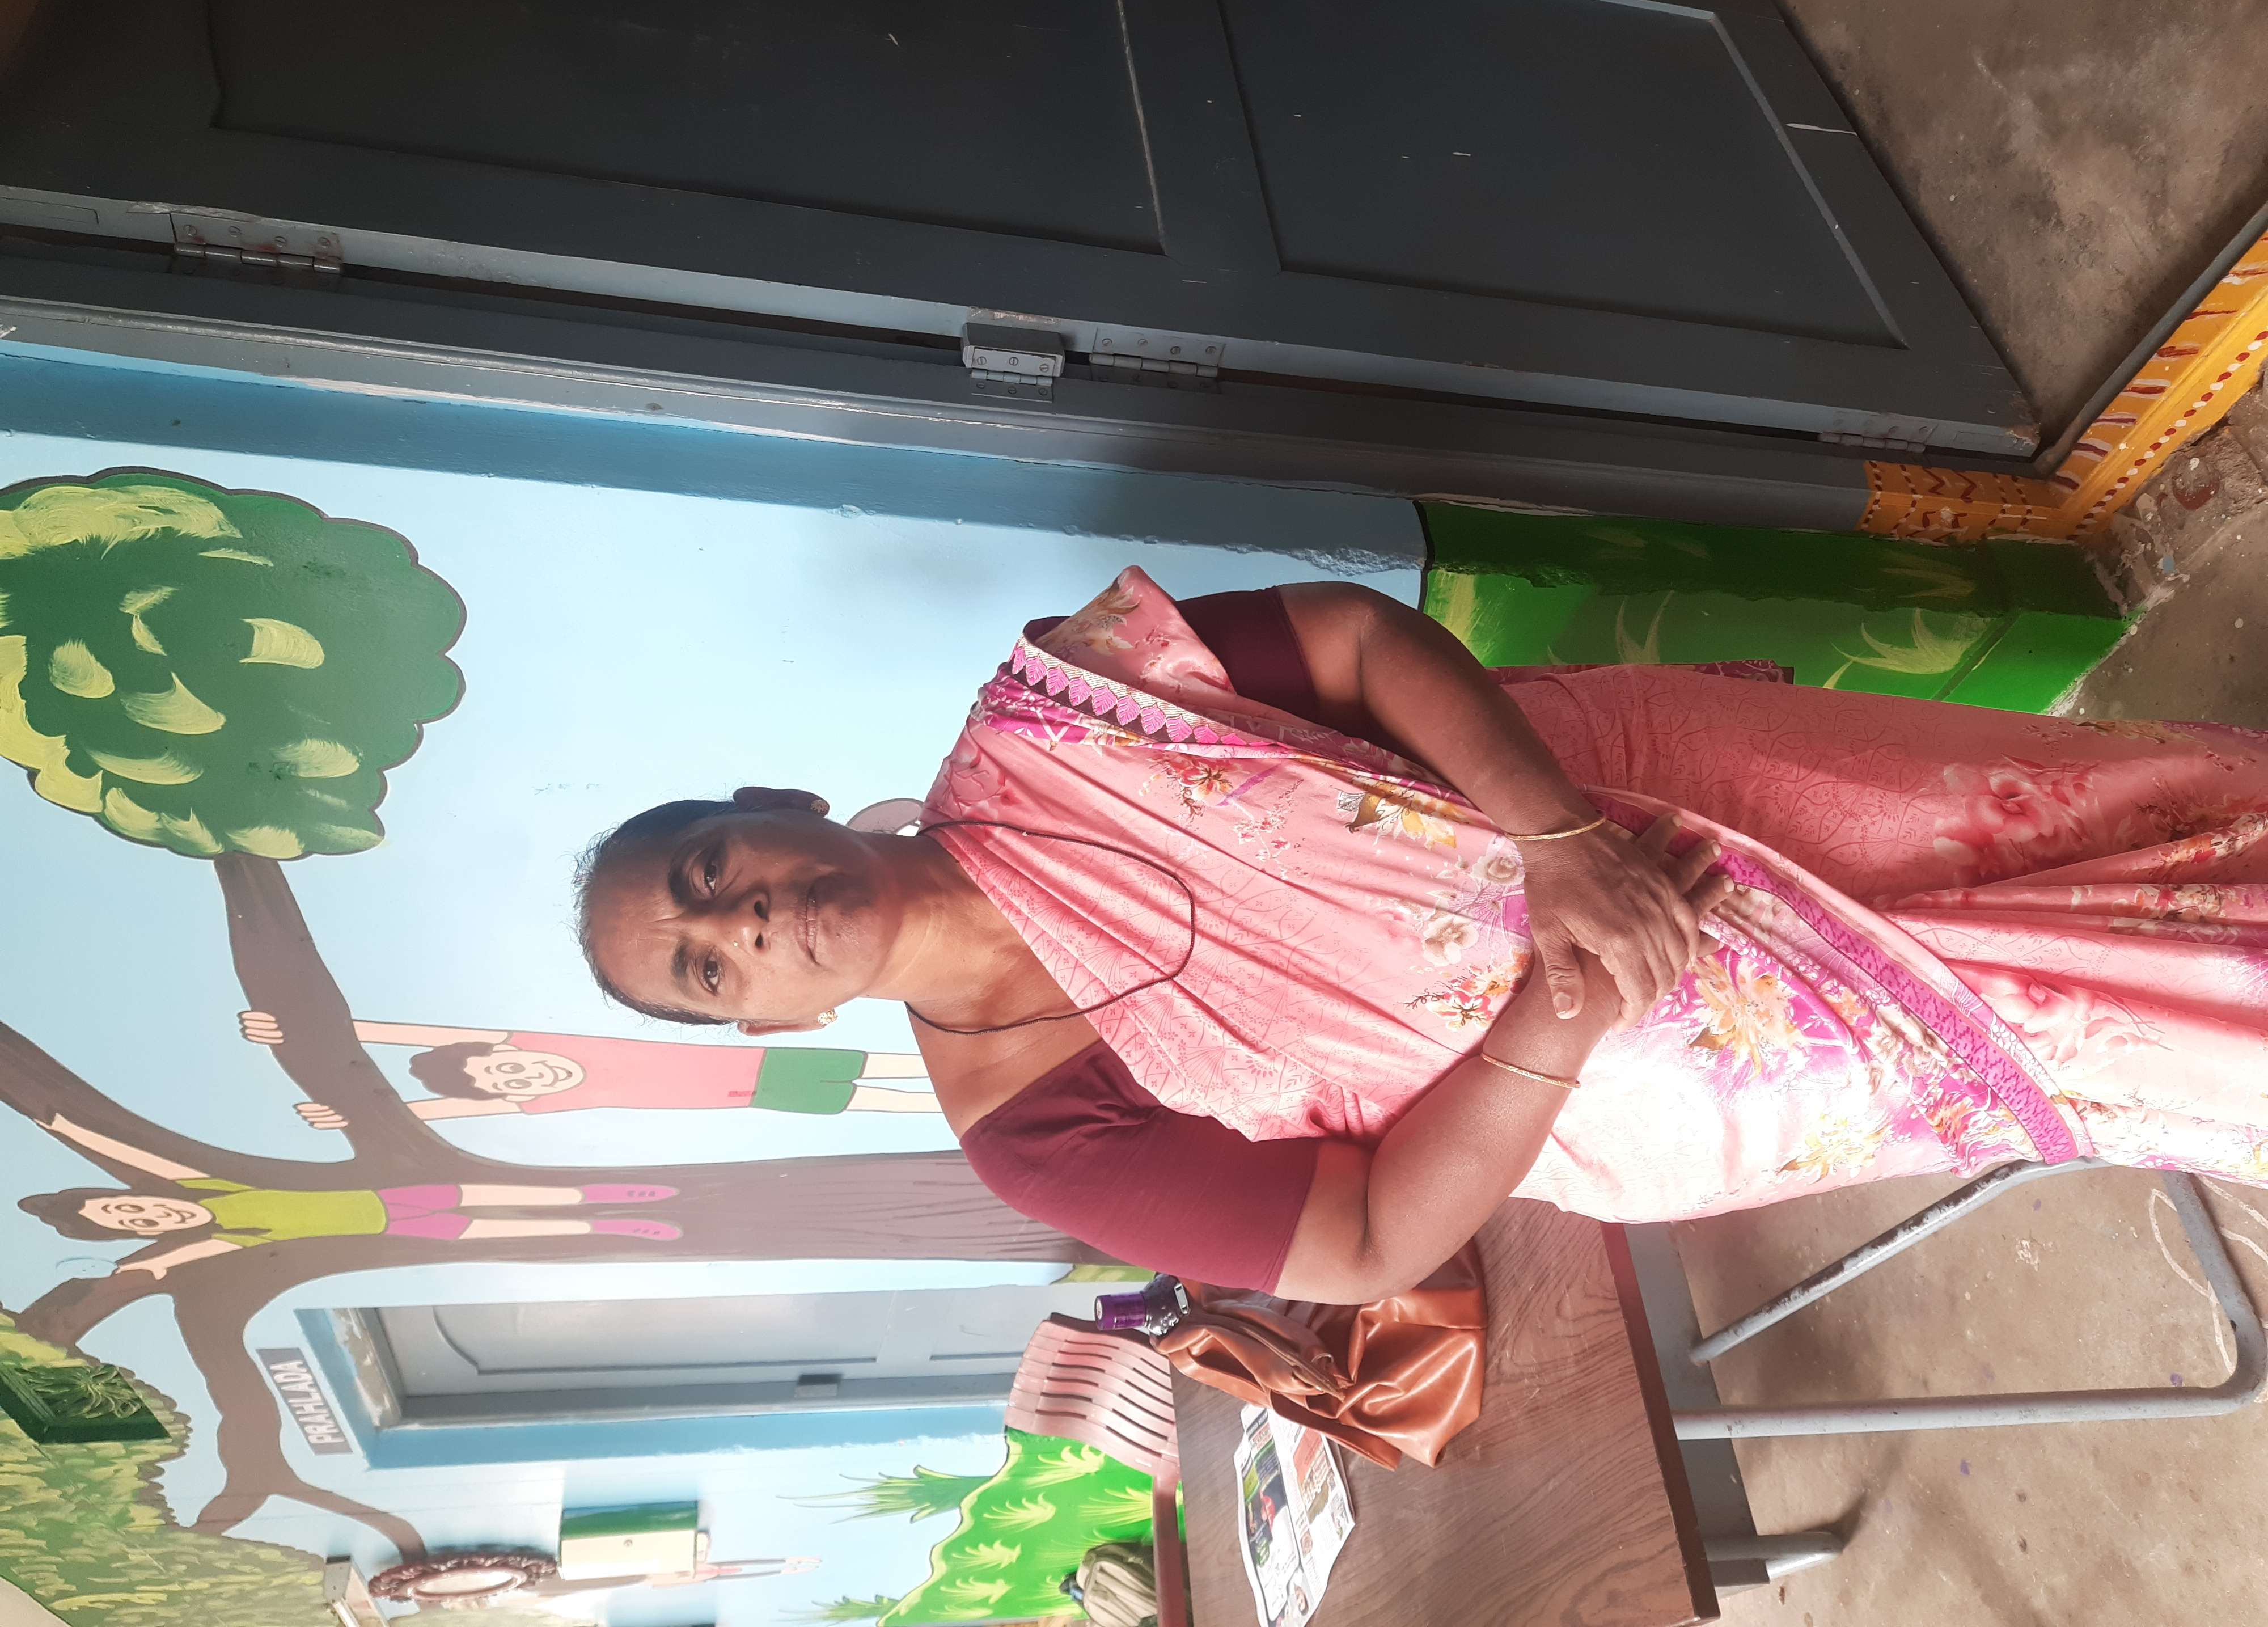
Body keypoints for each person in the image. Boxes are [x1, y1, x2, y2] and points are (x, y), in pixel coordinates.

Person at [572, 567, 2268, 1303]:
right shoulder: (1031, 1131)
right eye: (709, 964)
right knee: (2121, 1044)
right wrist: (1559, 1009)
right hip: (1676, 1050)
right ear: (766, 1029)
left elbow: (1353, 639)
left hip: (1653, 789)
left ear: (772, 800)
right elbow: (1365, 1234)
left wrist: (1559, 841)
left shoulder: (1056, 709)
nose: (751, 920)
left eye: (712, 868)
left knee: (2097, 805)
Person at [20, 1114, 682, 1275]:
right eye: (133, 1222)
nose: (146, 1212)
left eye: (126, 1203)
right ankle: (615, 1228)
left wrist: (67, 1128)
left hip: (400, 1194)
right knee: (519, 1229)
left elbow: (137, 1159)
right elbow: (171, 1260)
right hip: (395, 1228)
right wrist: (137, 1266)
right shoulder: (221, 1234)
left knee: (523, 1194)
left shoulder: (203, 1188)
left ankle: (619, 1195)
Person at [232, 1011, 937, 1127]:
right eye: (507, 1089)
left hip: (763, 1058)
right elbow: (444, 1110)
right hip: (755, 1095)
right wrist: (357, 1112)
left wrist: (311, 1029)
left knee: (901, 1066)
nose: (525, 1079)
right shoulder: (546, 1104)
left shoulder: (545, 1042)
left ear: (508, 1049)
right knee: (889, 1102)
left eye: (510, 1068)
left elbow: (420, 1034)